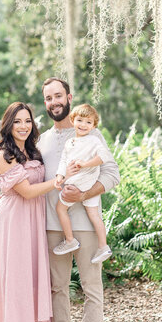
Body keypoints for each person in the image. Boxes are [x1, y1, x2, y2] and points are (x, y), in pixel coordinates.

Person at [39, 78, 120, 322]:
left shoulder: (92, 135)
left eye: (58, 95)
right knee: (57, 287)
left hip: (85, 222)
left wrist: (85, 193)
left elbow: (112, 175)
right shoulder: (43, 140)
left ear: (69, 98)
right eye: (48, 98)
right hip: (52, 223)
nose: (54, 102)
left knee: (91, 285)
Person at [0, 102, 58, 322]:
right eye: (18, 122)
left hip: (33, 218)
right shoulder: (4, 155)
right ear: (8, 125)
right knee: (15, 278)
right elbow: (25, 191)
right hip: (14, 219)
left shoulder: (32, 150)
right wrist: (59, 181)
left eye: (28, 121)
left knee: (30, 276)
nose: (24, 126)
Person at [54, 103, 112, 264]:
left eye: (88, 122)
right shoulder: (70, 142)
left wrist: (85, 164)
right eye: (80, 120)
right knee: (94, 215)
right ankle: (103, 246)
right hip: (90, 185)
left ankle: (70, 239)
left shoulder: (94, 140)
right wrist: (60, 176)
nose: (84, 125)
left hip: (80, 184)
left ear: (94, 126)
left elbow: (103, 157)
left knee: (60, 208)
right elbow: (64, 161)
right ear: (72, 121)